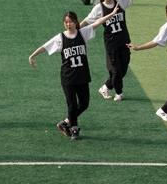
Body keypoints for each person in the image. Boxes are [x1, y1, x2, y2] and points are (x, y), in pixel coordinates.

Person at [28, 8, 119, 140]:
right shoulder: (60, 38)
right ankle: (74, 129)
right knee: (72, 104)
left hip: (82, 75)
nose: (68, 24)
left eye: (71, 22)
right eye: (66, 22)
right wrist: (32, 55)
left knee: (84, 103)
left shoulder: (83, 33)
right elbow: (46, 46)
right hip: (68, 77)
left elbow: (98, 22)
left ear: (76, 22)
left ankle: (65, 122)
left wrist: (112, 14)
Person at [81, 0, 160, 102]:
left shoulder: (120, 2)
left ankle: (105, 87)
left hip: (124, 41)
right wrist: (76, 28)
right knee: (116, 70)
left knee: (123, 70)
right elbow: (87, 21)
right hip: (111, 44)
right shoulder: (99, 8)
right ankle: (119, 93)